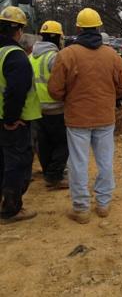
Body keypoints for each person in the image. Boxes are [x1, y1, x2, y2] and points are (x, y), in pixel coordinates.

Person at [48, 8, 122, 224]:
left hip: (77, 118)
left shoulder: (66, 55)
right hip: (104, 117)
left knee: (78, 163)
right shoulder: (112, 55)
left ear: (78, 28)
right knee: (105, 162)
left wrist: (71, 96)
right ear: (99, 27)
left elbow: (54, 90)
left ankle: (81, 208)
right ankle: (103, 204)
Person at [0, 6, 41, 225]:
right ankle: (11, 209)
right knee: (18, 164)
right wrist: (10, 119)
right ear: (18, 30)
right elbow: (16, 91)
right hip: (15, 122)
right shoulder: (15, 56)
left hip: (3, 119)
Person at [29, 20, 69, 190]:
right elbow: (63, 83)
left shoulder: (31, 57)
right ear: (57, 37)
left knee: (44, 145)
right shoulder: (54, 57)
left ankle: (49, 174)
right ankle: (54, 176)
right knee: (64, 144)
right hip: (56, 108)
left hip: (37, 109)